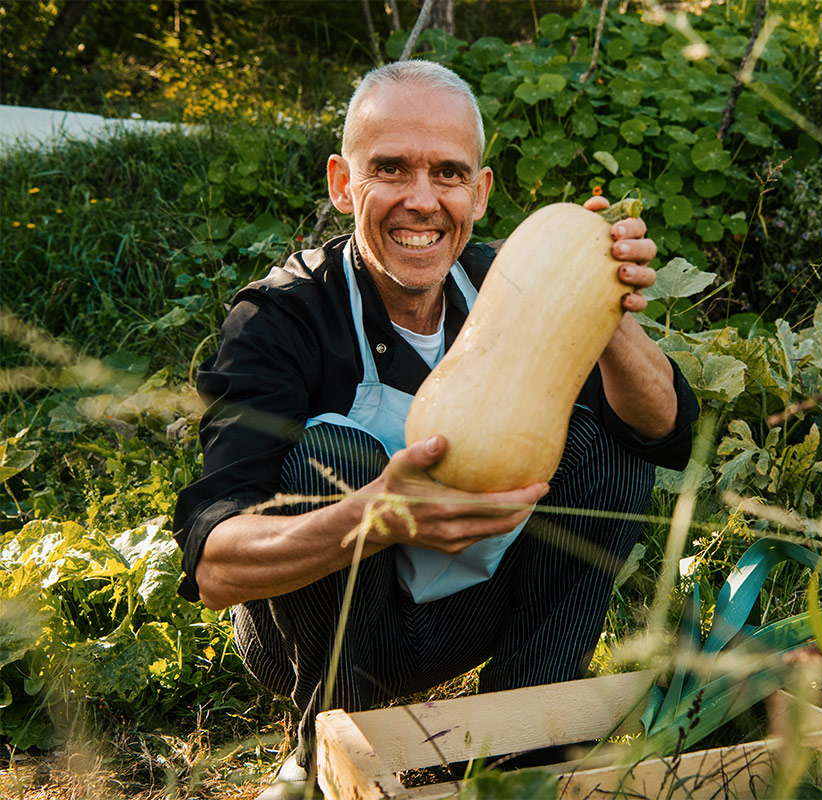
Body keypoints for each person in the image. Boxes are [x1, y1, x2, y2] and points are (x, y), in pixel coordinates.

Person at [171, 59, 699, 794]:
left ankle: (522, 750)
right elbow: (214, 564)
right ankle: (325, 749)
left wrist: (597, 298)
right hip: (313, 632)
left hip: (468, 613)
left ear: (479, 193)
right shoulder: (277, 318)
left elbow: (667, 432)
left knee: (611, 447)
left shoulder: (511, 281)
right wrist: (378, 517)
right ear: (342, 183)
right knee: (333, 454)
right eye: (390, 168)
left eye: (448, 174)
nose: (422, 201)